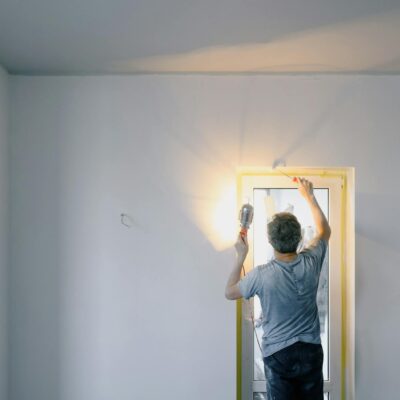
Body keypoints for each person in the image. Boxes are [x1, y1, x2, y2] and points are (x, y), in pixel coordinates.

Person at [225, 177, 330, 400]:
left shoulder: (262, 275)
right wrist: (309, 196)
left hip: (279, 354)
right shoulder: (311, 261)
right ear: (299, 237)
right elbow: (324, 230)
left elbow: (230, 292)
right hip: (310, 350)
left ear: (270, 242)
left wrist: (240, 256)